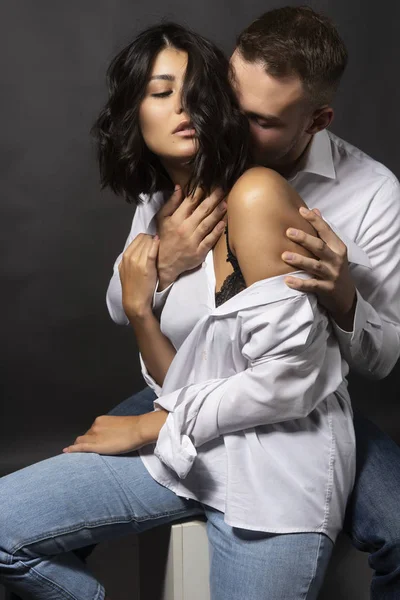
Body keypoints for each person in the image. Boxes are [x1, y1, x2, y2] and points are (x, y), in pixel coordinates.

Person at [0, 22, 359, 600]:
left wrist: (150, 424)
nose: (183, 107)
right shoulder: (160, 206)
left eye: (196, 91)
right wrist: (141, 309)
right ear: (132, 115)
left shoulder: (258, 193)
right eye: (162, 92)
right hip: (191, 455)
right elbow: (185, 381)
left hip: (279, 471)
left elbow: (293, 380)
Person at [102, 6, 400, 599]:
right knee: (47, 500)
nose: (229, 125)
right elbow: (120, 303)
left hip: (300, 402)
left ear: (317, 119)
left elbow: (384, 356)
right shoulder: (189, 158)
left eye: (260, 120)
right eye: (226, 101)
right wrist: (166, 255)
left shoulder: (372, 193)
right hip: (183, 381)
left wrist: (344, 296)